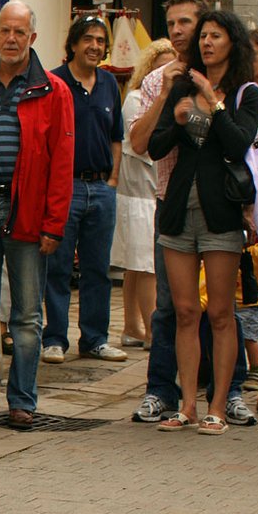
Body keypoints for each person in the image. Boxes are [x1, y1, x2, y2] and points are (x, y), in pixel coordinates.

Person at [0, 0, 74, 430]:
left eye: (19, 33)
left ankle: (22, 399)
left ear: (33, 39)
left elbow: (63, 160)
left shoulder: (53, 90)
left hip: (27, 208)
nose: (10, 39)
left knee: (26, 314)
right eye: (4, 30)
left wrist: (54, 223)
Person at [149, 10, 258, 436]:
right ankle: (187, 405)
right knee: (183, 311)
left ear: (233, 42)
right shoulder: (180, 86)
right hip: (180, 211)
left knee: (219, 312)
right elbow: (157, 146)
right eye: (204, 37)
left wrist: (210, 103)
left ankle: (218, 405)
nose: (208, 43)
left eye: (216, 36)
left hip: (221, 213)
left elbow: (237, 143)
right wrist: (178, 118)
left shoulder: (243, 94)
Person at [127, 0, 207, 423]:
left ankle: (220, 390)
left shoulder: (221, 74)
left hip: (215, 206)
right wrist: (167, 87)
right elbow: (140, 144)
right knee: (169, 306)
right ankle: (160, 390)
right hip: (170, 203)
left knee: (216, 307)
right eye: (172, 23)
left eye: (186, 23)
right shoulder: (157, 79)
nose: (177, 31)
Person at [42, 16, 127, 364]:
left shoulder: (108, 83)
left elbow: (116, 137)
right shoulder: (53, 82)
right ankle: (56, 339)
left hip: (101, 187)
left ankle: (94, 338)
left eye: (100, 40)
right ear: (73, 44)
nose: (95, 46)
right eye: (88, 39)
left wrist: (112, 181)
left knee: (97, 268)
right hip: (66, 188)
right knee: (58, 267)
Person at [113, 39, 175, 348]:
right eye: (159, 65)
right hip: (138, 191)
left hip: (153, 191)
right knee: (143, 264)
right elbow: (143, 146)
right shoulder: (136, 99)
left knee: (138, 264)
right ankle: (150, 329)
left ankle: (131, 327)